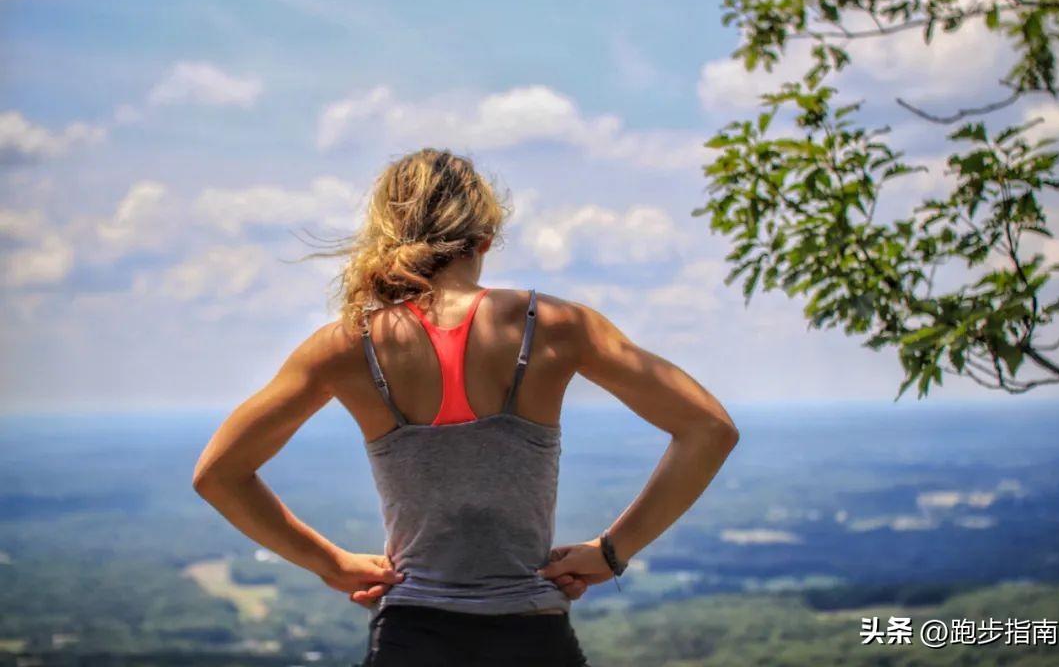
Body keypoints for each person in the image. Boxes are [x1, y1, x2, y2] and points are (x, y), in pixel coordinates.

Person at [192, 148, 740, 667]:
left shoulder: (346, 346)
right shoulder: (554, 327)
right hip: (533, 637)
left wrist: (330, 564)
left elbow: (219, 473)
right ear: (485, 238)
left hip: (410, 637)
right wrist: (611, 552)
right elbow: (709, 429)